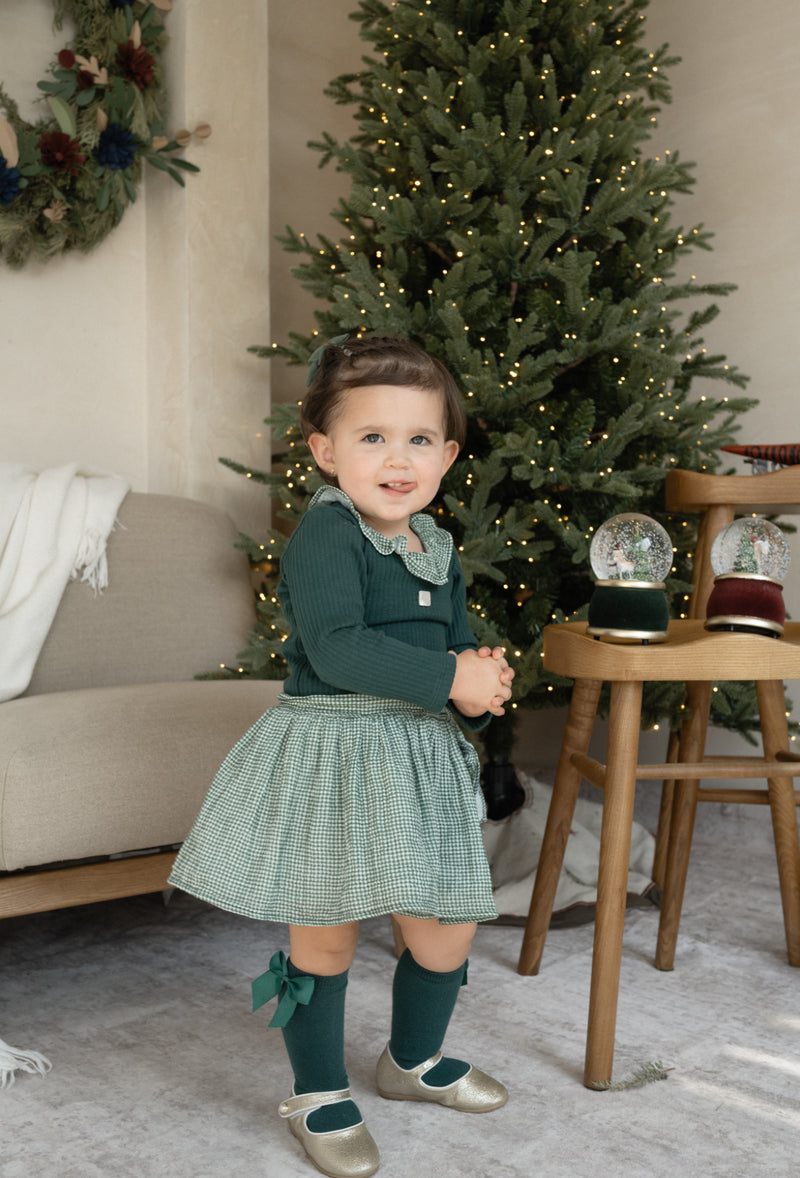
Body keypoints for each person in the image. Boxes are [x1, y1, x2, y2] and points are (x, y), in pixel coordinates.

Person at [169, 335, 514, 1178]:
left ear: (447, 456)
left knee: (445, 927)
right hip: (336, 755)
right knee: (325, 935)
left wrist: (479, 685)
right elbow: (337, 648)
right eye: (373, 438)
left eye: (419, 439)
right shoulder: (328, 534)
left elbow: (455, 643)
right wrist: (451, 678)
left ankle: (412, 1061)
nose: (398, 459)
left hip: (420, 758)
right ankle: (317, 1090)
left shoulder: (435, 543)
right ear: (326, 451)